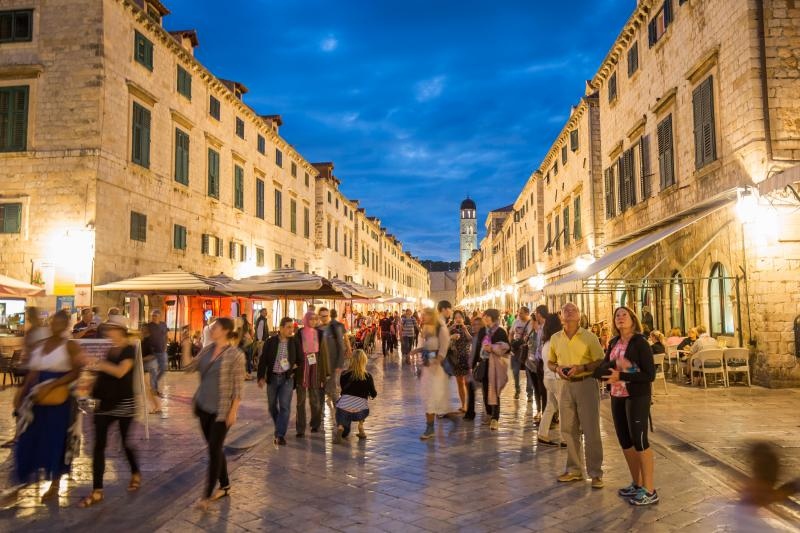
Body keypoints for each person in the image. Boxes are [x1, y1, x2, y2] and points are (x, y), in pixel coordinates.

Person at [12, 310, 83, 503]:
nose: (56, 326)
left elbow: (77, 371)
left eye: (61, 323)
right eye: (54, 322)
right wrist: (22, 392)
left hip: (60, 401)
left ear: (67, 325)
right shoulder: (40, 346)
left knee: (56, 442)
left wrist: (54, 383)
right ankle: (20, 482)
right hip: (38, 399)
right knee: (28, 439)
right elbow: (33, 373)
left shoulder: (71, 346)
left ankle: (55, 485)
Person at [595, 306, 658, 505]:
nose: (620, 318)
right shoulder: (613, 342)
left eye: (624, 315)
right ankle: (637, 483)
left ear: (633, 319)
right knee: (625, 441)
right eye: (617, 315)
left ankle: (650, 490)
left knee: (640, 440)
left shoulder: (640, 342)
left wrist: (621, 374)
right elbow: (606, 366)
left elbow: (650, 375)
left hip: (637, 395)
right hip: (617, 395)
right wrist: (603, 370)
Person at [78, 315, 141, 508]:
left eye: (112, 329)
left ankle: (135, 471)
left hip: (124, 403)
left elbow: (120, 371)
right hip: (103, 402)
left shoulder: (129, 350)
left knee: (124, 443)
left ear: (121, 331)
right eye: (107, 330)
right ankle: (97, 490)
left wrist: (96, 362)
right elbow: (100, 371)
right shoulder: (105, 349)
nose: (108, 333)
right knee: (99, 445)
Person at [185, 317, 244, 510]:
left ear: (225, 330)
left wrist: (233, 411)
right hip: (203, 407)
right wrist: (186, 346)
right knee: (215, 448)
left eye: (215, 327)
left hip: (221, 411)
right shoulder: (207, 350)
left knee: (213, 451)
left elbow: (238, 388)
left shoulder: (236, 355)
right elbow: (188, 367)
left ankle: (206, 496)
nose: (212, 329)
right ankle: (225, 485)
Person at [548, 302, 605, 488]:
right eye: (566, 310)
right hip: (565, 386)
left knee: (591, 430)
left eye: (574, 310)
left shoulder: (590, 337)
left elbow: (600, 362)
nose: (570, 312)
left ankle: (596, 473)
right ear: (561, 317)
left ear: (579, 316)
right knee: (568, 429)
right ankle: (574, 470)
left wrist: (581, 367)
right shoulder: (556, 338)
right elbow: (550, 362)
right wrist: (557, 369)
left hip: (586, 384)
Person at [258, 317, 301, 445]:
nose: (290, 330)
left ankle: (280, 434)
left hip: (287, 379)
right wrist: (260, 377)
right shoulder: (270, 342)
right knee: (272, 406)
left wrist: (294, 367)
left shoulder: (294, 342)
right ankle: (279, 425)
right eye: (288, 327)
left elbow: (300, 359)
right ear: (281, 328)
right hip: (272, 378)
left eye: (292, 328)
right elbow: (263, 360)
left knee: (285, 407)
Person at [410, 307, 451, 439]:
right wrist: (416, 351)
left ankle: (430, 428)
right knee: (428, 398)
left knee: (432, 398)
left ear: (431, 315)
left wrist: (437, 360)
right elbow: (426, 347)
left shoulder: (441, 329)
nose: (423, 317)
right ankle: (430, 427)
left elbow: (444, 348)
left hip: (437, 370)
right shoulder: (426, 329)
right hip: (427, 369)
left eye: (425, 315)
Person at [475, 308, 511, 431]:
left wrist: (492, 348)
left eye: (487, 316)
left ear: (492, 318)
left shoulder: (500, 331)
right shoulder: (482, 331)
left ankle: (495, 418)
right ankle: (489, 414)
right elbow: (478, 347)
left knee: (494, 390)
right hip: (484, 363)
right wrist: (475, 362)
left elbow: (507, 347)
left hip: (495, 364)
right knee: (485, 391)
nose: (484, 318)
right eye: (484, 316)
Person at [334, 349, 377, 443]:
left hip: (343, 411)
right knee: (364, 406)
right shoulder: (368, 376)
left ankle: (341, 427)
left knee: (340, 407)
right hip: (360, 413)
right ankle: (361, 427)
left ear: (351, 360)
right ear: (364, 361)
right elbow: (374, 394)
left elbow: (341, 388)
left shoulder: (344, 374)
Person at [537, 314, 566, 447]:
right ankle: (566, 438)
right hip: (556, 379)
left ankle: (542, 433)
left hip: (548, 379)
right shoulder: (556, 342)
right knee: (564, 407)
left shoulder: (546, 342)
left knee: (551, 406)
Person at [295, 311, 324, 437]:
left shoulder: (320, 333)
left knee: (315, 399)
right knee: (300, 400)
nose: (313, 321)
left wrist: (324, 373)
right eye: (310, 319)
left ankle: (315, 424)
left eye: (315, 319)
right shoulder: (299, 333)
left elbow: (323, 354)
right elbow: (295, 350)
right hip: (302, 368)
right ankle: (300, 428)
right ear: (306, 320)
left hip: (316, 366)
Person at [318, 308, 348, 405]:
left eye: (326, 316)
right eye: (322, 316)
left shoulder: (335, 328)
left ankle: (340, 413)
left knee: (333, 392)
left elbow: (341, 346)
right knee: (321, 393)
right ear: (319, 316)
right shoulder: (317, 329)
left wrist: (339, 364)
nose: (325, 318)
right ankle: (320, 418)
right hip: (320, 368)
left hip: (332, 366)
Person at [527, 305, 549, 422]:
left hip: (543, 363)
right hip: (536, 362)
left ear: (539, 314)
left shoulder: (546, 328)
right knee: (540, 388)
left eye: (536, 313)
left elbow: (542, 345)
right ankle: (544, 413)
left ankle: (548, 415)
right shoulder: (540, 329)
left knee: (545, 390)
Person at [448, 310, 472, 412]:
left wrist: (465, 330)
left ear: (463, 318)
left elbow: (471, 339)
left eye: (460, 317)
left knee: (467, 383)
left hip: (466, 357)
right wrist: (450, 330)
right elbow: (443, 338)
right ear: (453, 319)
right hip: (456, 358)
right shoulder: (451, 329)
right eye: (456, 317)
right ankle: (463, 405)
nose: (458, 319)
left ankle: (469, 404)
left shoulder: (468, 327)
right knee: (459, 382)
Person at [141, 309, 168, 400]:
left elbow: (165, 336)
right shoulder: (148, 326)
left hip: (162, 351)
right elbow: (144, 337)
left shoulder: (163, 325)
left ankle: (154, 384)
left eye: (155, 316)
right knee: (153, 372)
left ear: (159, 316)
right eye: (152, 316)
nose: (153, 317)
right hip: (152, 352)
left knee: (163, 369)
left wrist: (165, 346)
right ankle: (154, 390)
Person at [509, 306, 534, 401]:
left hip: (527, 351)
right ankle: (517, 390)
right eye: (519, 313)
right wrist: (511, 343)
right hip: (516, 350)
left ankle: (530, 394)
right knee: (515, 372)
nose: (519, 314)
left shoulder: (531, 323)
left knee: (529, 373)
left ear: (527, 313)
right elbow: (511, 333)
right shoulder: (516, 321)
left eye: (521, 313)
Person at [463, 315, 485, 421]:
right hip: (473, 367)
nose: (475, 326)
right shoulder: (476, 336)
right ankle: (470, 412)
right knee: (471, 390)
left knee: (484, 391)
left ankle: (487, 413)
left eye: (477, 325)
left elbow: (478, 354)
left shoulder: (482, 338)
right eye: (474, 324)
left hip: (480, 367)